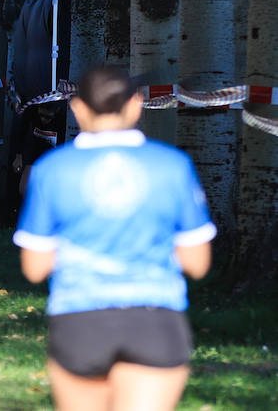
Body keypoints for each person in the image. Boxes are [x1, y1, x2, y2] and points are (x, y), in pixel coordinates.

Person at [15, 65, 214, 411]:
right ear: (136, 105)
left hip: (79, 320)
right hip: (156, 319)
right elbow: (197, 263)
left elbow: (34, 268)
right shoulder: (174, 165)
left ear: (77, 108)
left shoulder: (51, 169)